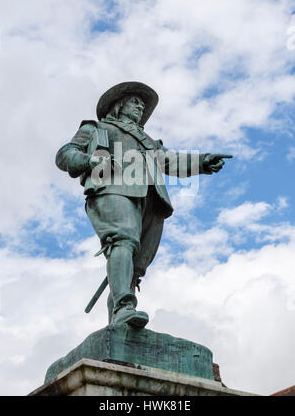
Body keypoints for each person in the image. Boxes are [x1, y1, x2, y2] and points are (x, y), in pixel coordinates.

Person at [56, 81, 232, 329]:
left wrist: (202, 161)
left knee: (136, 268)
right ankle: (124, 307)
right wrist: (90, 160)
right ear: (119, 105)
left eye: (142, 104)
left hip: (151, 201)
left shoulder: (148, 141)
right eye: (134, 101)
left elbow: (169, 160)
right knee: (123, 240)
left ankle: (119, 324)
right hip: (113, 189)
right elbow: (65, 154)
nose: (140, 107)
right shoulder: (97, 128)